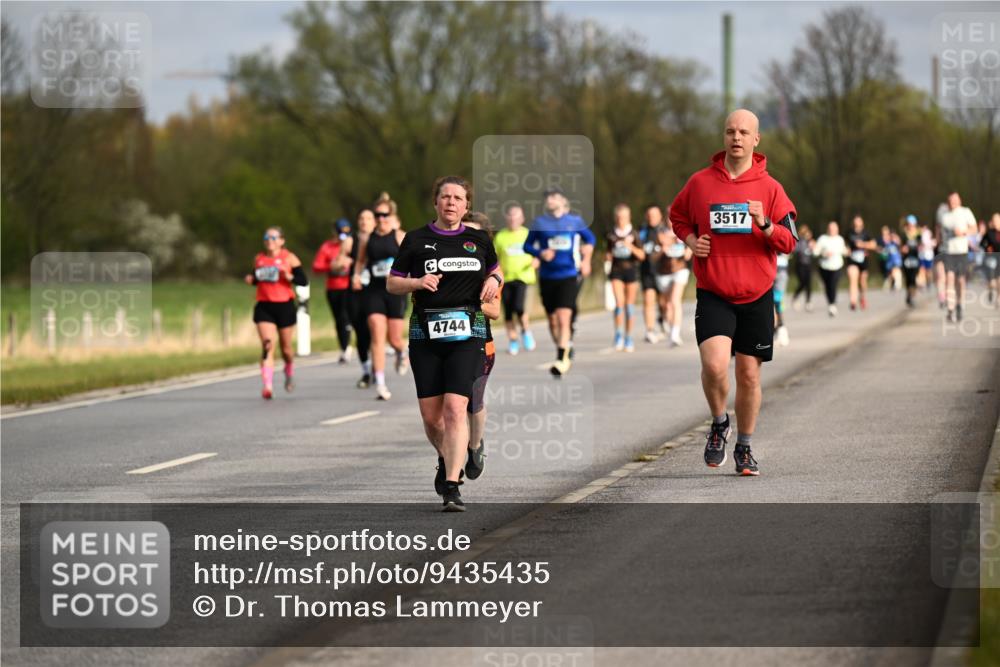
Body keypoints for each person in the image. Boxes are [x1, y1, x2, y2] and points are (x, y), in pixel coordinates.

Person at [670, 108, 796, 476]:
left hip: (757, 295)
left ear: (757, 139)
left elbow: (789, 242)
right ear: (724, 137)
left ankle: (744, 445)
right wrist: (692, 240)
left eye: (743, 132)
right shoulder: (700, 183)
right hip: (714, 291)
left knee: (749, 376)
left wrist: (765, 224)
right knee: (713, 365)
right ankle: (718, 422)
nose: (736, 138)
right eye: (730, 131)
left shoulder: (771, 189)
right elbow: (677, 216)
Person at [387, 176, 502, 511]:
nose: (451, 203)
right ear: (436, 202)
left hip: (469, 333)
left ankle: (452, 486)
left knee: (455, 408)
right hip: (426, 334)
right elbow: (393, 284)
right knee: (432, 419)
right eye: (445, 197)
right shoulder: (416, 239)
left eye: (458, 198)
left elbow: (496, 271)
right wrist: (417, 282)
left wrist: (494, 279)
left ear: (467, 206)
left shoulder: (478, 239)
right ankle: (447, 456)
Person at [523, 186, 595, 377]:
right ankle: (565, 347)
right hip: (547, 277)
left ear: (563, 201)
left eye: (554, 197)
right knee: (553, 321)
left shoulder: (574, 221)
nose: (550, 200)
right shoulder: (539, 222)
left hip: (568, 275)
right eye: (548, 197)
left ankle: (561, 358)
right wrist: (540, 253)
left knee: (564, 318)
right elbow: (527, 245)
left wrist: (586, 258)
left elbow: (590, 239)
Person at [354, 193, 409, 400]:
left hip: (394, 292)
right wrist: (356, 276)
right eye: (377, 215)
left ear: (391, 215)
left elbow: (412, 262)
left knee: (394, 338)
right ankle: (380, 383)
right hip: (374, 291)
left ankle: (402, 352)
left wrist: (406, 277)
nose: (381, 219)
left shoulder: (400, 236)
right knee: (377, 333)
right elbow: (360, 261)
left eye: (385, 215)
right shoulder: (367, 239)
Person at [244, 227, 308, 399]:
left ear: (281, 240)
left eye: (273, 237)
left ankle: (288, 369)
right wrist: (251, 280)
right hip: (265, 306)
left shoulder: (289, 258)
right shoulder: (259, 259)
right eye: (267, 237)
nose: (269, 240)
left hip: (285, 306)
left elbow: (303, 280)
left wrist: (290, 277)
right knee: (267, 344)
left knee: (286, 349)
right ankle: (268, 385)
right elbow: (255, 278)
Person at [493, 205, 537, 355]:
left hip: (523, 277)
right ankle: (513, 340)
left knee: (519, 307)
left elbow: (538, 252)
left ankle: (525, 330)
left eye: (516, 216)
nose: (513, 219)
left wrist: (537, 260)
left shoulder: (528, 234)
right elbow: (494, 258)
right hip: (505, 278)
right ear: (507, 218)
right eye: (510, 216)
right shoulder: (500, 237)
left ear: (522, 219)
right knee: (508, 312)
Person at [312, 218, 355, 364]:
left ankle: (350, 347)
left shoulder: (353, 245)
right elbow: (316, 267)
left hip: (350, 287)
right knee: (339, 320)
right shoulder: (327, 247)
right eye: (339, 232)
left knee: (346, 317)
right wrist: (332, 266)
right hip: (333, 288)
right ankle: (344, 348)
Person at [604, 203, 644, 352]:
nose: (621, 220)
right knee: (619, 303)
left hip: (631, 271)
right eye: (619, 217)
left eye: (624, 217)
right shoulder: (611, 234)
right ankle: (618, 335)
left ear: (629, 217)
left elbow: (642, 255)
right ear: (616, 218)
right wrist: (607, 260)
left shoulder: (634, 234)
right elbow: (608, 253)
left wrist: (630, 247)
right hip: (616, 271)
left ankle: (629, 337)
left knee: (629, 306)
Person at [939, 192, 978, 322]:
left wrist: (964, 232)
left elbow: (975, 228)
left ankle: (960, 304)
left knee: (960, 281)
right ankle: (950, 309)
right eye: (951, 200)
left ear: (959, 200)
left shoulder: (965, 212)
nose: (953, 202)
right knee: (950, 279)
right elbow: (940, 233)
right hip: (949, 251)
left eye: (955, 200)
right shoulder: (944, 216)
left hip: (962, 251)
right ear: (948, 202)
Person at [653, 223, 692, 347]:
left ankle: (675, 334)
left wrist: (689, 249)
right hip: (663, 272)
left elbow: (690, 250)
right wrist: (663, 248)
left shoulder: (684, 231)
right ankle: (670, 328)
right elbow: (653, 257)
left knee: (675, 300)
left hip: (680, 270)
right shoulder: (660, 234)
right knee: (667, 305)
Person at [349, 209, 376, 388]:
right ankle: (366, 371)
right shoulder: (351, 241)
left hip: (377, 292)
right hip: (356, 292)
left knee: (377, 330)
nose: (364, 221)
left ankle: (377, 368)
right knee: (361, 333)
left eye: (368, 218)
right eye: (361, 218)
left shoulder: (381, 239)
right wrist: (341, 263)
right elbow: (337, 262)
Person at [638, 204, 667, 342]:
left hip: (663, 271)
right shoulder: (642, 231)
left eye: (654, 215)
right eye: (649, 215)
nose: (651, 218)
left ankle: (663, 320)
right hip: (647, 270)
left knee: (663, 302)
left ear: (660, 216)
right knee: (648, 300)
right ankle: (649, 330)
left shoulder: (665, 230)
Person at [813, 221, 847, 317]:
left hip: (837, 266)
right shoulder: (823, 239)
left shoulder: (840, 239)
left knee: (833, 285)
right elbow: (815, 252)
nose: (832, 230)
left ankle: (832, 305)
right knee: (827, 286)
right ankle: (830, 303)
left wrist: (848, 251)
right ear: (828, 229)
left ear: (837, 230)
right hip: (824, 266)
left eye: (834, 229)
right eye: (830, 229)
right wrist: (824, 253)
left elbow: (843, 250)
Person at [846, 215, 876, 311]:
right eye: (855, 222)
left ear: (862, 223)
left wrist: (863, 244)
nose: (857, 224)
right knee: (853, 279)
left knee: (862, 282)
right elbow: (845, 244)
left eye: (858, 222)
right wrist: (847, 250)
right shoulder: (849, 233)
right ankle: (853, 301)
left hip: (863, 260)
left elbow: (873, 245)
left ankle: (862, 297)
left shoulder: (866, 233)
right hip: (852, 260)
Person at [791, 224, 815, 311]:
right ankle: (795, 296)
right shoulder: (799, 241)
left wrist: (812, 246)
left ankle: (808, 301)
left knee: (808, 284)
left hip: (808, 265)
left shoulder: (811, 242)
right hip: (800, 265)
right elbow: (795, 250)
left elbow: (814, 252)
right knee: (803, 282)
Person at [900, 215, 922, 308]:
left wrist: (918, 247)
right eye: (909, 224)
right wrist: (902, 249)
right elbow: (900, 247)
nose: (911, 226)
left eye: (912, 224)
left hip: (915, 259)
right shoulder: (904, 235)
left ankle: (912, 296)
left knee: (913, 278)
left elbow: (921, 246)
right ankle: (908, 294)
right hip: (906, 259)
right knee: (908, 279)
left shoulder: (918, 234)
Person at [981, 213, 1000, 306]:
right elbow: (982, 243)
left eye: (997, 220)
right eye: (994, 220)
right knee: (992, 281)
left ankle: (998, 298)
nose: (996, 222)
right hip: (991, 258)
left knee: (999, 281)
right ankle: (990, 290)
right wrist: (987, 247)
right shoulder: (989, 233)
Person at [773, 253, 790, 346]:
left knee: (777, 302)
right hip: (768, 267)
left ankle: (781, 330)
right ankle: (778, 331)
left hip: (781, 270)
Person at [879, 225, 903, 292]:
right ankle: (889, 283)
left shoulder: (896, 241)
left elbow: (900, 244)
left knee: (895, 270)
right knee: (890, 272)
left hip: (896, 259)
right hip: (890, 259)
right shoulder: (888, 242)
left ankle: (897, 284)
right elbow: (883, 247)